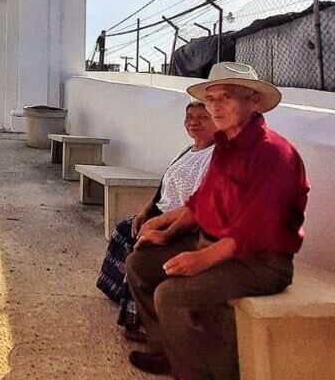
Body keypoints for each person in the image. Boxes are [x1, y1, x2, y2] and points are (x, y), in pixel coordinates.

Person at [126, 63, 309, 380]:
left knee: (171, 295)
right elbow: (199, 205)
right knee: (139, 264)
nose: (215, 106)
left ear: (253, 101)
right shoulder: (224, 146)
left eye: (226, 97)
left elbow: (255, 230)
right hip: (215, 247)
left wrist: (199, 259)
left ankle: (200, 373)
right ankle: (170, 353)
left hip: (259, 263)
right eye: (210, 98)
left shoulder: (273, 153)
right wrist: (164, 230)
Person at [96, 101, 217, 343]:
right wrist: (144, 213)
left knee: (141, 249)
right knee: (124, 228)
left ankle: (137, 320)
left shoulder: (215, 156)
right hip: (160, 214)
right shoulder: (186, 151)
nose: (193, 122)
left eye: (202, 117)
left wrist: (162, 226)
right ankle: (121, 294)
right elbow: (163, 187)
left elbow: (196, 206)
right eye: (189, 117)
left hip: (182, 222)